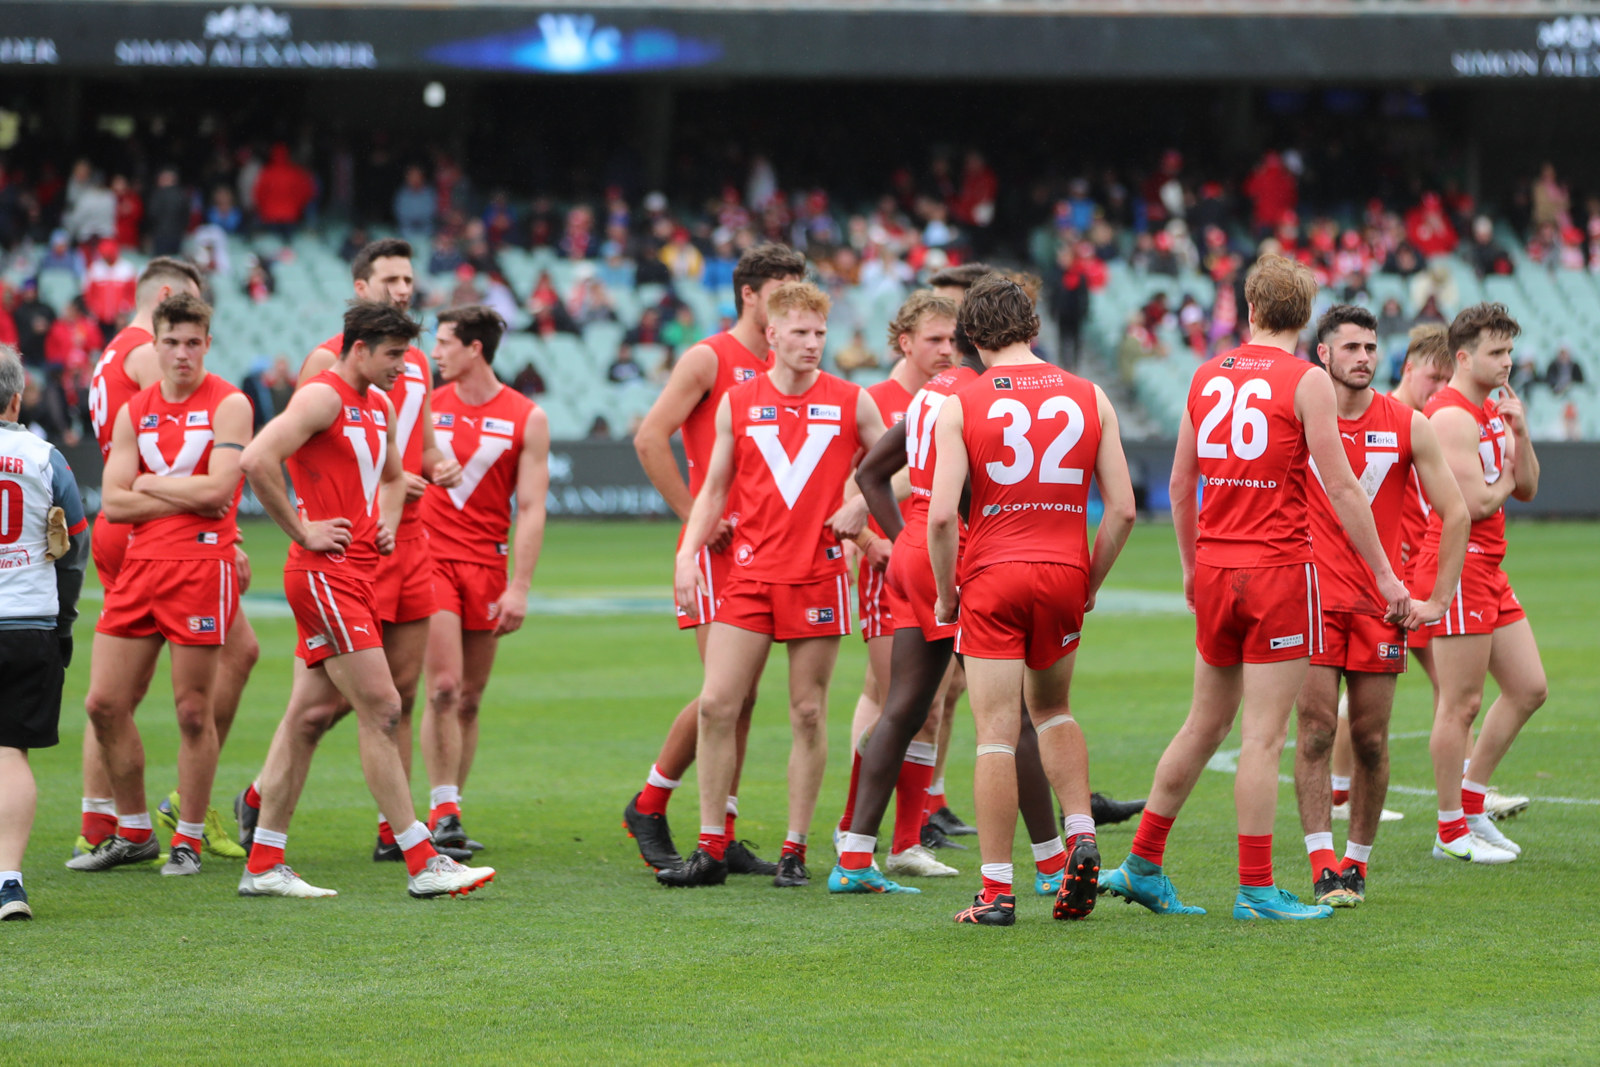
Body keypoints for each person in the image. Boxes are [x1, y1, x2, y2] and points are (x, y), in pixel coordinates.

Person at [1100, 255, 1411, 922]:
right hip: (1277, 571)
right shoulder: (1306, 381)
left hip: (1214, 566)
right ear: (1305, 318)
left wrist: (1189, 564)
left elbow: (1181, 484)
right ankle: (1257, 888)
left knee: (1203, 722)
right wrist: (1386, 572)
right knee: (1264, 737)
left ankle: (1144, 863)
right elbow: (1344, 487)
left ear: (1248, 310)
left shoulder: (1206, 374)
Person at [237, 301, 494, 899]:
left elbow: (393, 477)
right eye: (394, 354)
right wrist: (303, 530)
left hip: (358, 571)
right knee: (382, 708)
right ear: (359, 349)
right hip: (324, 574)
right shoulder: (322, 396)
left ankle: (263, 864)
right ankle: (422, 859)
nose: (405, 366)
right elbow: (256, 459)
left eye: (406, 353)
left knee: (306, 720)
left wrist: (385, 518)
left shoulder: (378, 405)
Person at [920, 275, 1136, 927]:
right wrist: (1089, 582)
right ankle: (1080, 834)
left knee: (993, 731)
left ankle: (995, 890)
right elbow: (1123, 509)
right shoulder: (1090, 395)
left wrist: (944, 593)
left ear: (973, 337)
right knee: (1053, 709)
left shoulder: (962, 402)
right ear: (1035, 328)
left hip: (993, 573)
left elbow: (937, 518)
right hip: (1063, 571)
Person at [662, 280, 887, 889]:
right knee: (716, 704)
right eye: (800, 333)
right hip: (750, 575)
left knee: (808, 713)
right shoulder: (740, 401)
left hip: (817, 577)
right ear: (773, 335)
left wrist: (861, 508)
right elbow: (713, 491)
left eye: (819, 333)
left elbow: (904, 461)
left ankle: (794, 848)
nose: (812, 343)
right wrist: (687, 557)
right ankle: (711, 846)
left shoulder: (852, 399)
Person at [622, 244, 807, 874]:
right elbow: (650, 437)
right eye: (782, 291)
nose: (794, 304)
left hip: (767, 550)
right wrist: (696, 520)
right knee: (721, 694)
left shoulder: (787, 363)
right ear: (750, 295)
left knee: (744, 696)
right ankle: (649, 803)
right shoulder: (710, 358)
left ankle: (720, 834)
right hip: (718, 549)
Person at [79, 257, 257, 861]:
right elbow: (115, 501)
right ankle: (132, 827)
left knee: (189, 708)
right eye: (171, 342)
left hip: (197, 564)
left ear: (207, 343)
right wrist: (179, 496)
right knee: (104, 702)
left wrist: (150, 486)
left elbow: (217, 494)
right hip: (140, 557)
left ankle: (178, 831)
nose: (181, 353)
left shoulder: (225, 402)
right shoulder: (138, 398)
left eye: (192, 342)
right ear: (154, 340)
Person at [1290, 305, 1468, 909]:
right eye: (1351, 348)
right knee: (1314, 732)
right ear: (1323, 355)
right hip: (1310, 601)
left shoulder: (1408, 424)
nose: (1364, 357)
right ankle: (1320, 862)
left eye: (1371, 347)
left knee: (1368, 739)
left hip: (1380, 607)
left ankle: (1356, 863)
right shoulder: (1296, 419)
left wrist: (1439, 599)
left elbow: (1458, 513)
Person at [1411, 303, 1546, 864]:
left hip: (1489, 566)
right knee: (1460, 704)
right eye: (1496, 352)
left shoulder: (1493, 410)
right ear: (1464, 357)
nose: (1507, 362)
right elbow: (1473, 502)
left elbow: (1528, 489)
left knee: (1529, 688)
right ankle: (1449, 830)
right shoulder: (1449, 417)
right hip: (1457, 565)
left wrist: (1521, 433)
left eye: (1510, 351)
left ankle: (1471, 804)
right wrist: (1510, 473)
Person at [833, 291, 960, 881]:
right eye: (934, 339)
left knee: (926, 707)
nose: (946, 349)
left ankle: (906, 840)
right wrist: (879, 543)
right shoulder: (877, 402)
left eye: (952, 339)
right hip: (895, 569)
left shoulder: (957, 395)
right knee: (898, 702)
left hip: (940, 565)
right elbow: (848, 497)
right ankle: (853, 831)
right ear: (905, 342)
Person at [420, 306, 548, 857]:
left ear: (474, 349)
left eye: (445, 342)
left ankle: (449, 816)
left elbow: (534, 507)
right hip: (430, 560)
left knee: (470, 698)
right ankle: (442, 809)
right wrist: (424, 470)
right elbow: (388, 469)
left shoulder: (527, 417)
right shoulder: (425, 405)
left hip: (487, 568)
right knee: (444, 687)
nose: (435, 352)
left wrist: (519, 585)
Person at [0, 346, 88, 920]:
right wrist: (65, 620)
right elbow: (76, 545)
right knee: (10, 752)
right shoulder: (44, 455)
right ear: (16, 396)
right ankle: (8, 882)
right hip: (28, 623)